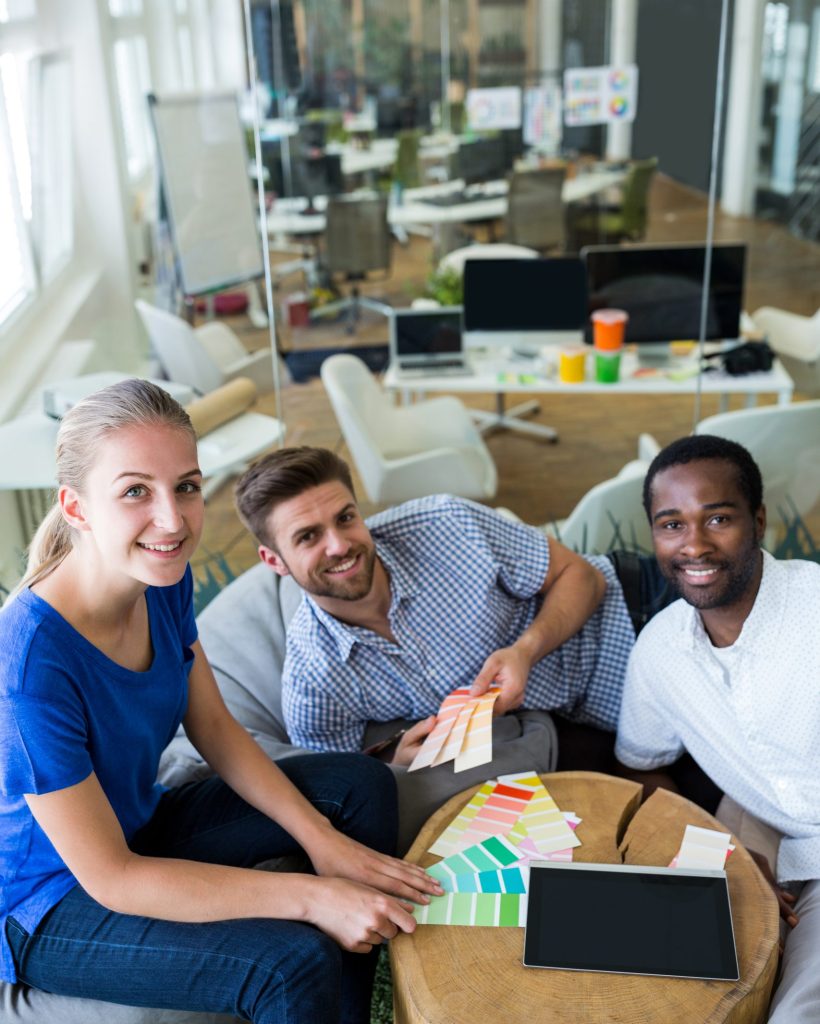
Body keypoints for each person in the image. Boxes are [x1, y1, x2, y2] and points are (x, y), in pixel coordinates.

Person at [0, 380, 440, 1024]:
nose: (172, 521)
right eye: (134, 493)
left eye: (185, 486)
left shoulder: (160, 578)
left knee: (359, 784)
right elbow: (114, 878)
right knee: (289, 962)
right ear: (76, 507)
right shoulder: (27, 666)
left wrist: (323, 842)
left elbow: (214, 727)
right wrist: (313, 896)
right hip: (47, 904)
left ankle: (347, 1001)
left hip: (138, 827)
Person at [234, 446, 640, 766]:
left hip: (635, 612)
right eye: (308, 536)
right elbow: (336, 780)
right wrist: (394, 761)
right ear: (274, 561)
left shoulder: (446, 523)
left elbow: (584, 577)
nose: (339, 545)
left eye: (345, 518)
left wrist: (525, 651)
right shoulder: (315, 679)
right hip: (592, 715)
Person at [615, 434, 820, 1023]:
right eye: (671, 524)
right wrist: (723, 846)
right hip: (760, 822)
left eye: (718, 518)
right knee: (655, 989)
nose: (694, 545)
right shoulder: (660, 649)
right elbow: (640, 761)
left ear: (758, 521)